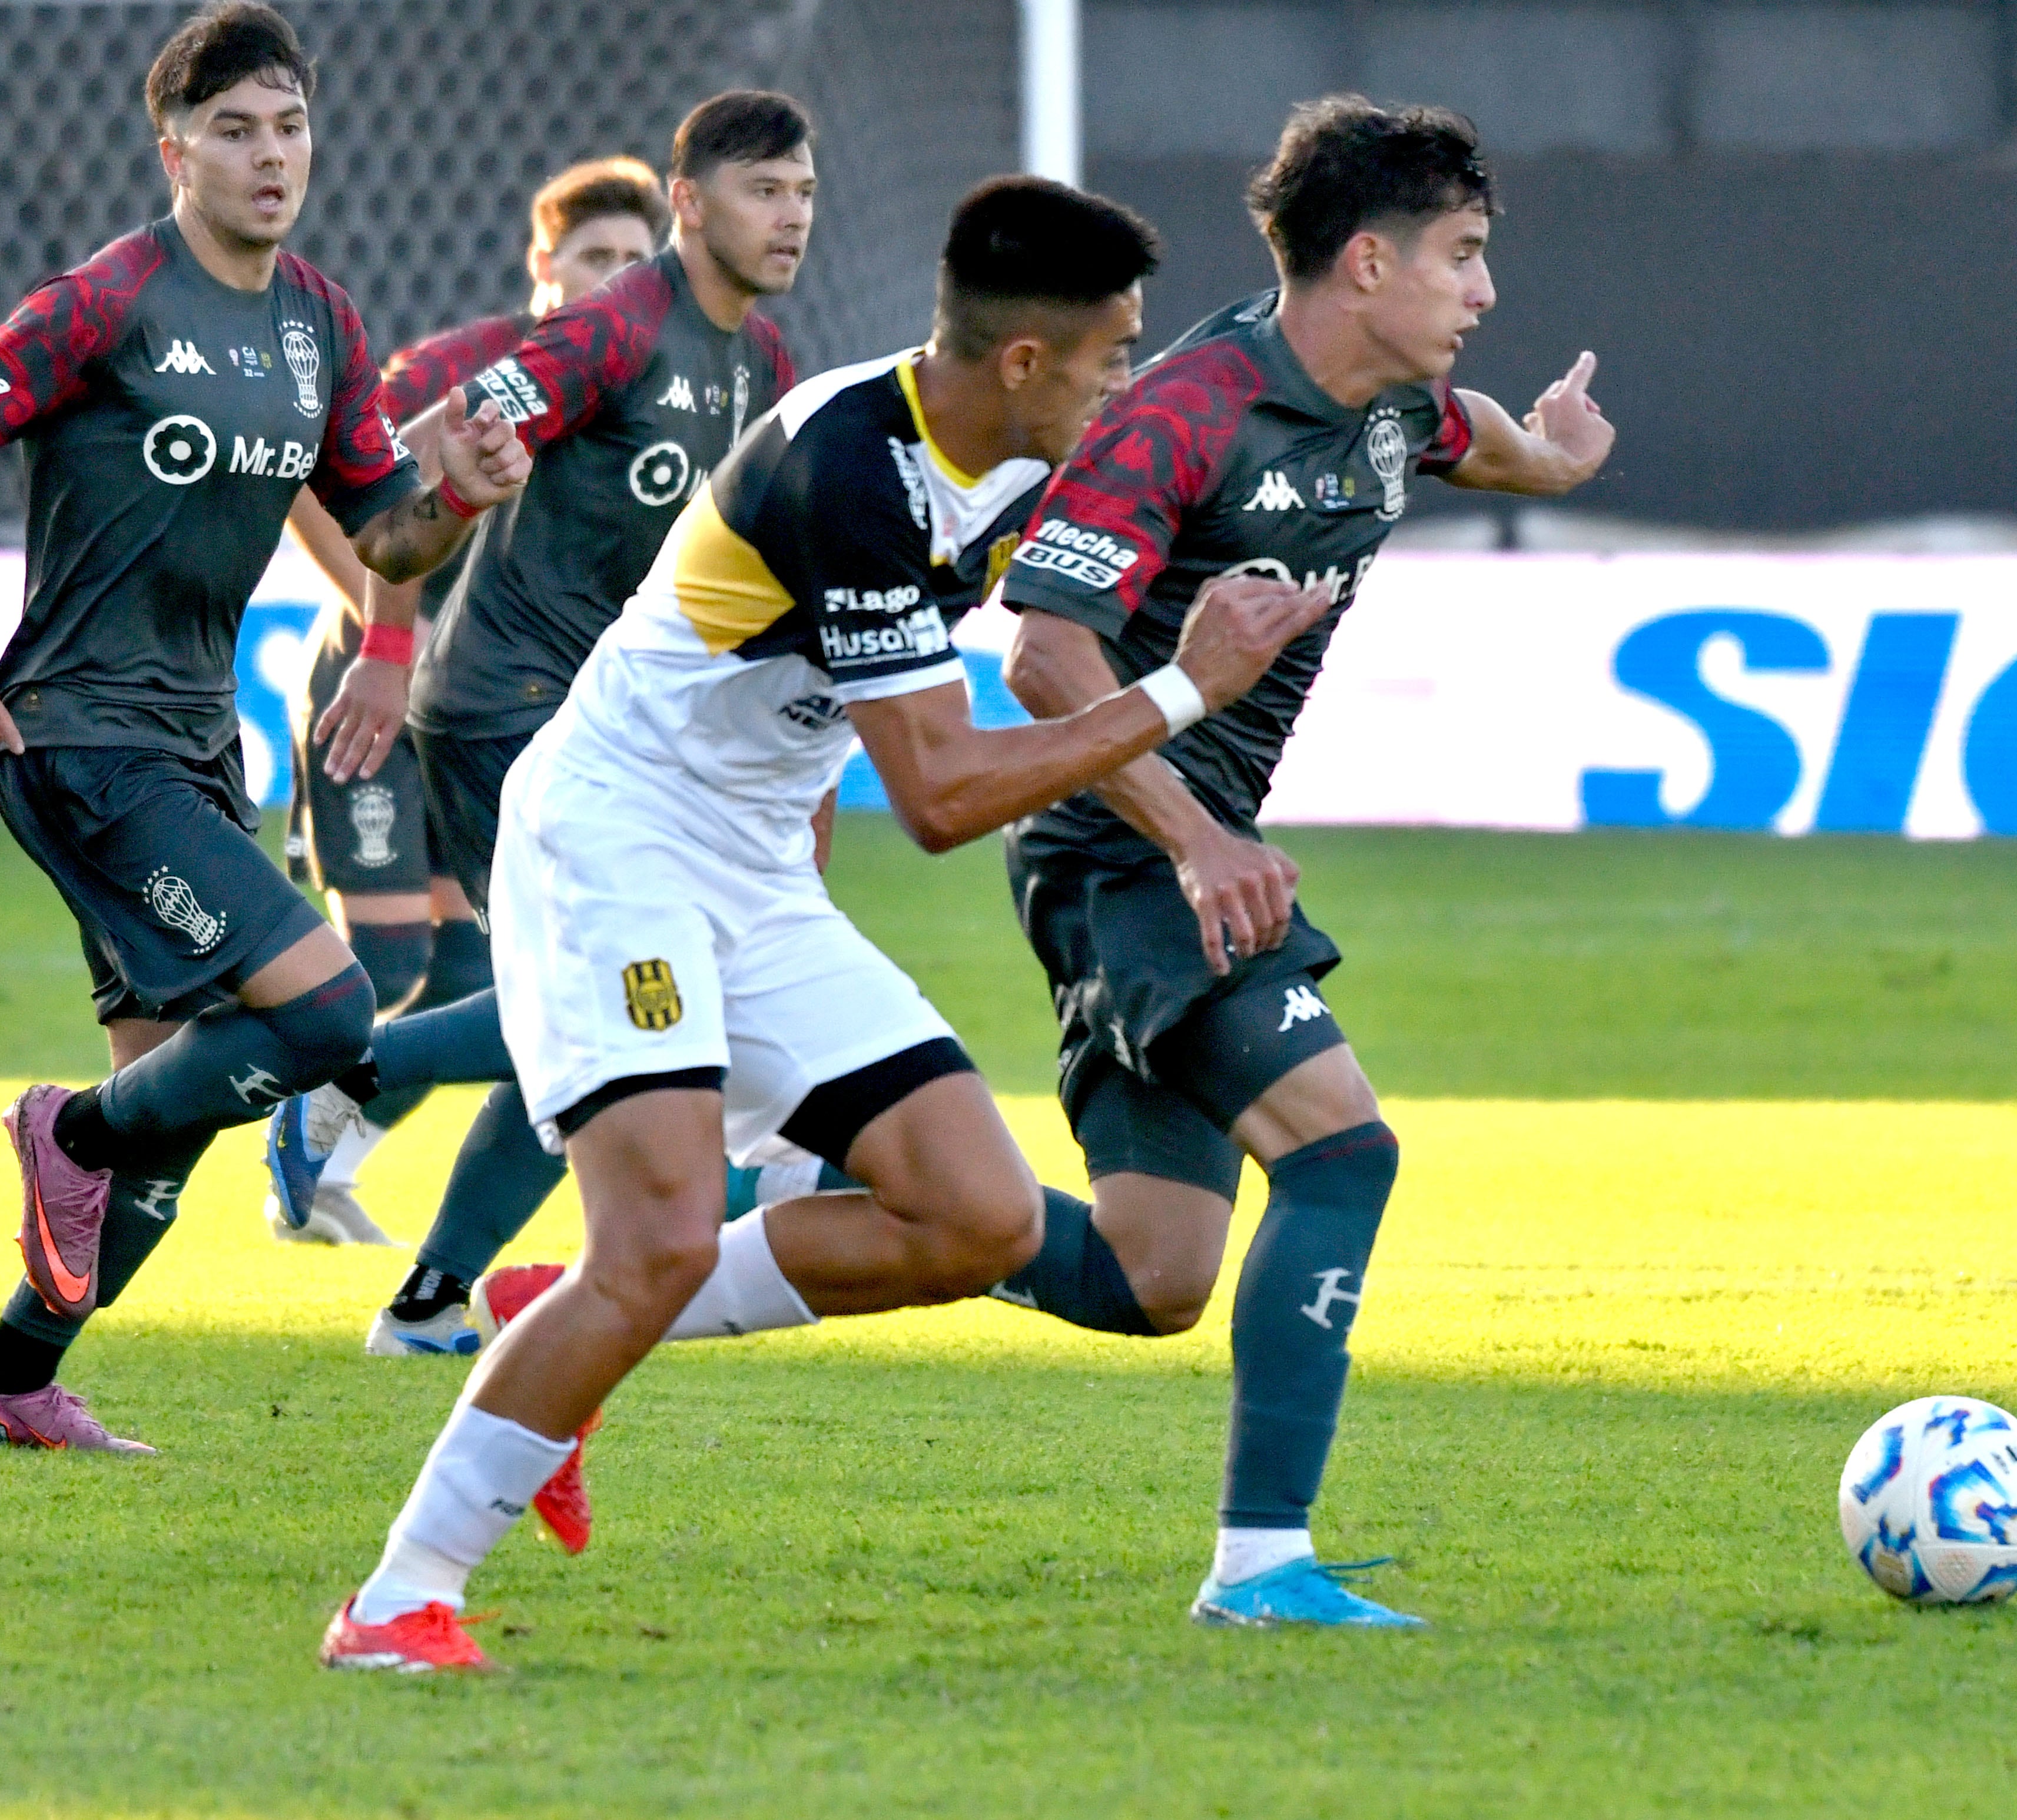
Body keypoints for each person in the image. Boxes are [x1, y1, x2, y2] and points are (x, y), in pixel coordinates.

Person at [319, 176, 1333, 1672]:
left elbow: (1015, 673)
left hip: (748, 872)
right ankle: (399, 1596)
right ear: (1023, 363)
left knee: (977, 1216)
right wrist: (1186, 691)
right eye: (1112, 352)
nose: (1126, 381)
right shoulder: (849, 461)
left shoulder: (1018, 452)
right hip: (616, 846)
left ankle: (580, 1323)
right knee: (656, 1232)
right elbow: (935, 792)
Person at [986, 97, 1617, 1628]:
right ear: (1362, 262)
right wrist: (1200, 838)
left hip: (1182, 851)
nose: (1480, 292)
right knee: (1341, 1150)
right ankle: (1262, 1565)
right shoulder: (1190, 410)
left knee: (1155, 1273)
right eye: (1459, 258)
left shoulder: (1400, 406)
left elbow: (1495, 446)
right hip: (1117, 838)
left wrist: (1560, 463)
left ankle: (825, 1182)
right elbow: (1042, 655)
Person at [0, 1, 530, 1454]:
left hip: (188, 746)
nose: (269, 155)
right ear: (175, 150)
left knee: (174, 1123)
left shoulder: (320, 323)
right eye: (233, 129)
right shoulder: (108, 298)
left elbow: (383, 540)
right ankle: (67, 1135)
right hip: (81, 739)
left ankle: (10, 1383)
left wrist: (466, 493)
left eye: (288, 125)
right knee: (326, 1011)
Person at [288, 92, 814, 1357]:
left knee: (572, 1022)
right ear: (689, 205)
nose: (789, 216)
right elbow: (416, 471)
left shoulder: (766, 365)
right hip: (506, 701)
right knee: (591, 1013)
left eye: (801, 191)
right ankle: (349, 1067)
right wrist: (389, 627)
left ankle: (423, 1298)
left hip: (615, 722)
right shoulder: (616, 330)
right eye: (761, 191)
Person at [269, 157, 667, 1245]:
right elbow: (320, 472)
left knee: (473, 965)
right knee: (398, 960)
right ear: (543, 263)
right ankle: (290, 1124)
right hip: (379, 677)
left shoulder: (647, 379)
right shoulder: (468, 369)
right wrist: (380, 623)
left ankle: (322, 1154)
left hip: (495, 703)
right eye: (594, 256)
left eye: (636, 260)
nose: (614, 277)